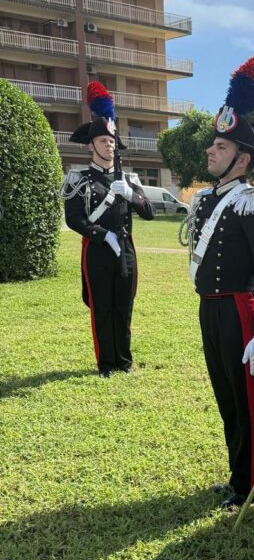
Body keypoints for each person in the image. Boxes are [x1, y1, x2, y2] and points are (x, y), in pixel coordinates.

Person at [187, 55, 254, 510]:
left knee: (248, 402)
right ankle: (236, 474)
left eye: (221, 147)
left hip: (241, 314)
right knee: (227, 397)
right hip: (211, 308)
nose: (211, 150)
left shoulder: (251, 201)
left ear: (242, 159)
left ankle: (252, 483)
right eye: (213, 144)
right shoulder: (210, 198)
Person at [61, 83, 154, 377]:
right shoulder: (79, 179)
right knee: (101, 309)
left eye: (112, 141)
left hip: (126, 250)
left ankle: (124, 361)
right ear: (91, 145)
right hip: (98, 251)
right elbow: (73, 219)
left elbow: (149, 212)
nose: (109, 146)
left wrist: (130, 194)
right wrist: (102, 234)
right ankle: (106, 363)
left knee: (124, 307)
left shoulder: (127, 178)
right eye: (103, 141)